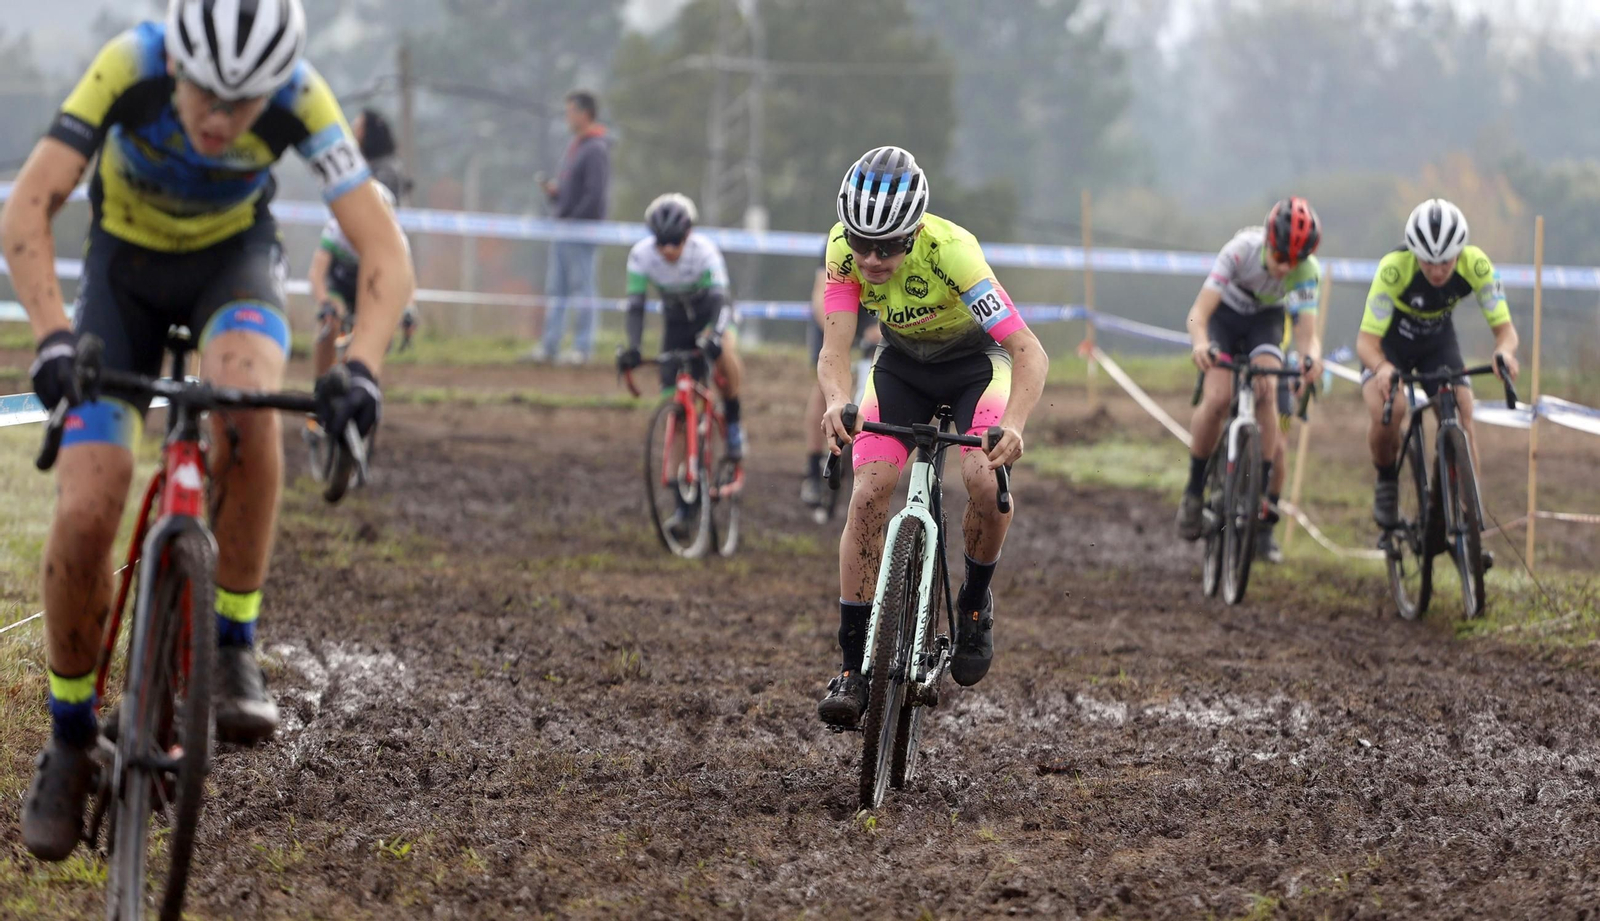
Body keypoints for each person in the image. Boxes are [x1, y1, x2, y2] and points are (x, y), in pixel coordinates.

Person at [1, 0, 414, 862]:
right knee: (86, 511)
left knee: (249, 415)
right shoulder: (128, 64)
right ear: (176, 68)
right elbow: (30, 205)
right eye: (205, 98)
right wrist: (49, 337)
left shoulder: (304, 95)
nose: (222, 121)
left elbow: (384, 249)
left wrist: (363, 368)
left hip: (234, 266)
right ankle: (71, 740)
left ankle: (232, 641)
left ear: (277, 87)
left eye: (246, 103)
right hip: (124, 276)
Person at [814, 146, 1048, 728]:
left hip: (976, 364)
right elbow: (834, 351)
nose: (871, 258)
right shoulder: (842, 250)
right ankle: (851, 665)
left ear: (913, 234)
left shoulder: (955, 255)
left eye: (887, 246)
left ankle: (973, 605)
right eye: (862, 242)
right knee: (869, 491)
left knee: (981, 479)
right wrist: (837, 402)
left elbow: (1029, 352)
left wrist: (1014, 425)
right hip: (900, 366)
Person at [1360, 199, 1520, 529]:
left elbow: (1506, 332)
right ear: (1414, 253)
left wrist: (1503, 353)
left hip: (1437, 342)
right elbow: (1366, 342)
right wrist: (1382, 368)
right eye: (1427, 261)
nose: (1436, 270)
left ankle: (1468, 509)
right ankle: (1387, 480)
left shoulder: (1477, 266)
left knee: (1463, 410)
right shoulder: (1394, 269)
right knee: (1390, 410)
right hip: (1390, 346)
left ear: (1459, 252)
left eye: (1445, 262)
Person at [1176, 198, 1325, 545]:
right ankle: (1194, 490)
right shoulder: (1240, 251)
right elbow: (1199, 313)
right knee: (1218, 398)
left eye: (1296, 261)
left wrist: (1311, 360)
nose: (1287, 268)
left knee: (1267, 390)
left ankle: (1258, 490)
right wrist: (1200, 343)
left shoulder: (1306, 271)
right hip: (1224, 319)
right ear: (1269, 244)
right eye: (1281, 258)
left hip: (1265, 323)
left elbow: (1307, 336)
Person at [616, 193, 747, 474]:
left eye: (675, 241)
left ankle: (733, 419)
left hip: (711, 316)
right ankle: (681, 489)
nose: (667, 249)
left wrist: (715, 336)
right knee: (674, 407)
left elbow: (721, 302)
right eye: (661, 241)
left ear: (688, 234)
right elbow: (635, 306)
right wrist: (634, 347)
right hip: (676, 325)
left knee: (724, 350)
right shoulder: (641, 255)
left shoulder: (704, 252)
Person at [307, 181, 417, 379]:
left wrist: (408, 309)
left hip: (371, 291)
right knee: (331, 323)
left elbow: (407, 282)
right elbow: (317, 274)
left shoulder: (396, 238)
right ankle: (320, 383)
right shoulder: (336, 231)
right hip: (339, 288)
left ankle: (363, 381)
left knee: (377, 334)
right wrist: (324, 303)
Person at [533, 89, 611, 365]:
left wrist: (574, 218)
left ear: (584, 113)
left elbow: (594, 195)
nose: (567, 117)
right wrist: (556, 194)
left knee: (583, 289)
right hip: (564, 229)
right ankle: (550, 345)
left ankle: (582, 347)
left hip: (580, 232)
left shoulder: (595, 149)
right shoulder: (577, 146)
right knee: (557, 289)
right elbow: (575, 190)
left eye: (570, 111)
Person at [801, 250, 879, 509]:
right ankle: (812, 471)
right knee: (823, 383)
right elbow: (819, 296)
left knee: (875, 376)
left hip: (874, 306)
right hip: (835, 305)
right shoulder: (836, 242)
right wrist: (838, 335)